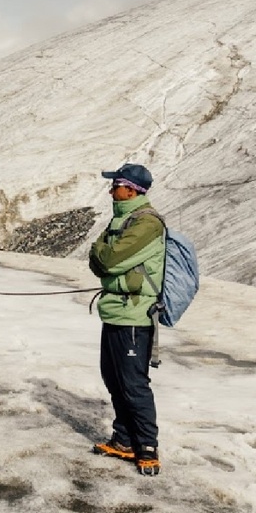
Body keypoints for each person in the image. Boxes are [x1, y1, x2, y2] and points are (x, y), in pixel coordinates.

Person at [88, 163, 165, 477]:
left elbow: (106, 259)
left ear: (131, 190)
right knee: (113, 378)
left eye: (115, 185)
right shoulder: (123, 220)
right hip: (116, 311)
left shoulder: (146, 224)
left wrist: (101, 252)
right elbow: (100, 263)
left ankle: (146, 446)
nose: (110, 191)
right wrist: (101, 254)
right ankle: (123, 439)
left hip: (134, 314)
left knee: (133, 384)